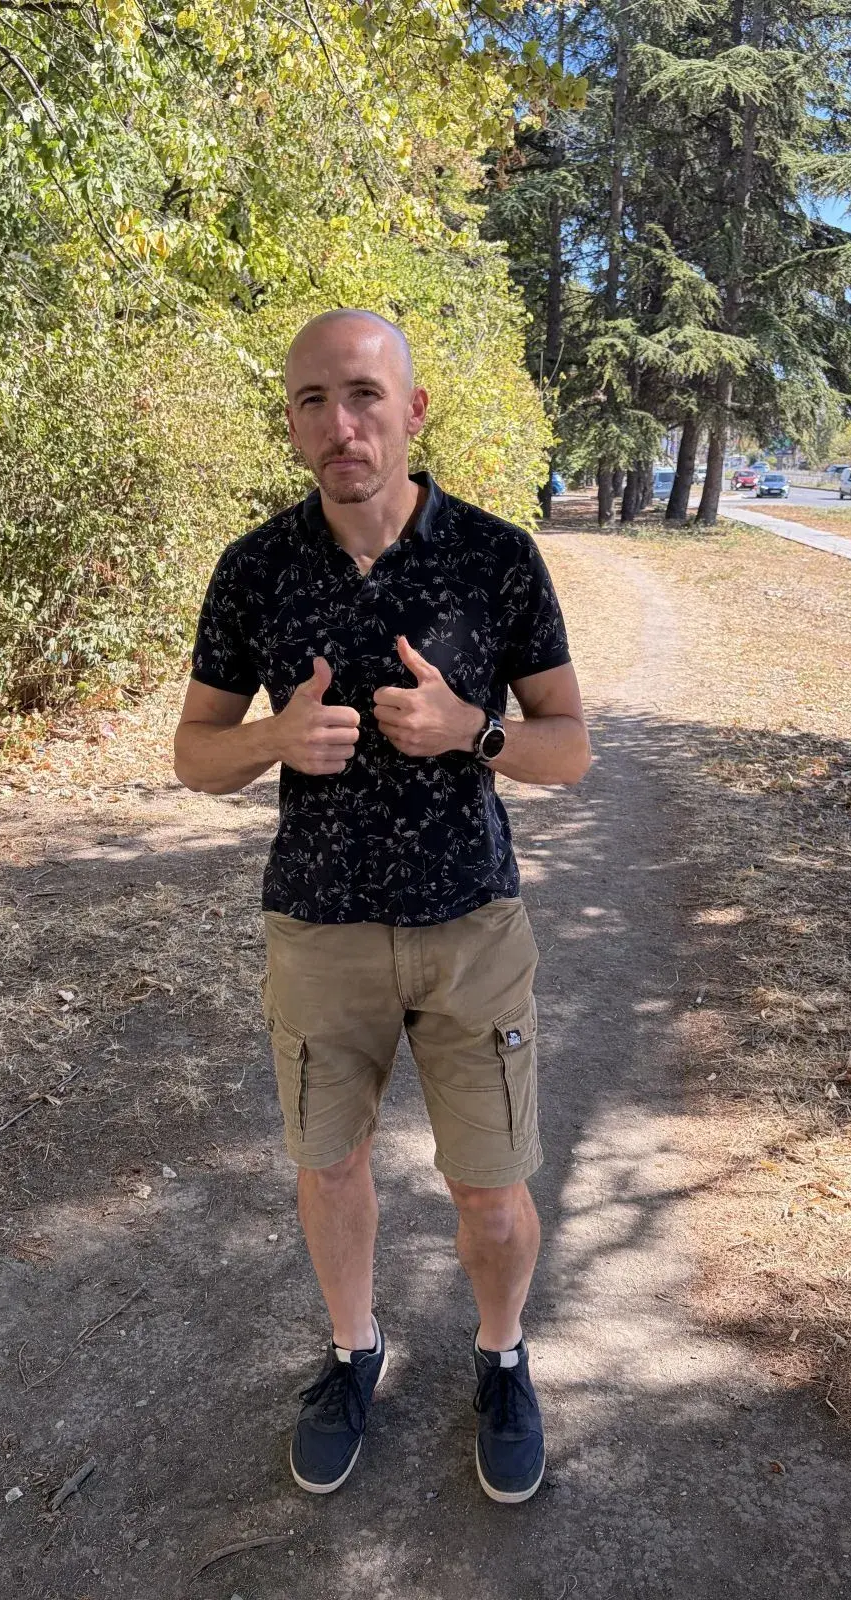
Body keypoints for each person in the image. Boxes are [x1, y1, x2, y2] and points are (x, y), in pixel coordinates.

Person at [173, 308, 590, 1504]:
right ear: (292, 424)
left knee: (493, 1192)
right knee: (331, 1168)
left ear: (412, 411)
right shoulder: (255, 569)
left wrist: (474, 729)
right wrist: (273, 739)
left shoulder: (497, 557)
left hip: (471, 929)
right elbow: (195, 753)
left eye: (363, 395)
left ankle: (502, 1355)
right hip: (318, 929)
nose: (340, 424)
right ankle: (355, 1351)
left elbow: (570, 747)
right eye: (313, 400)